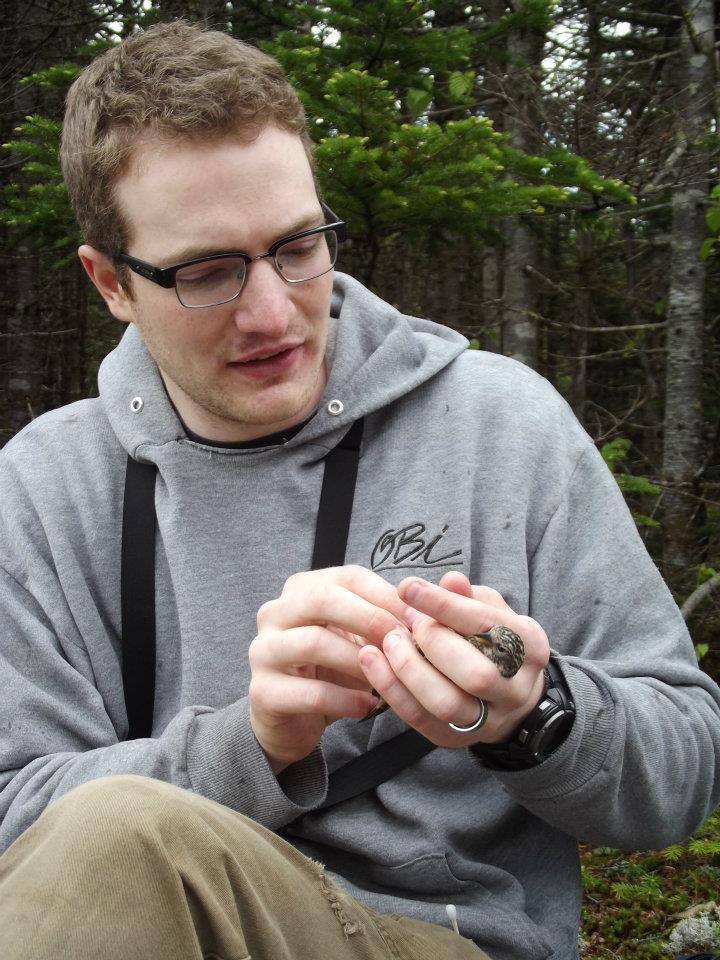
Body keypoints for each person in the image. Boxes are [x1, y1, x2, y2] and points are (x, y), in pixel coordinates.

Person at [0, 20, 718, 960]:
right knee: (107, 834)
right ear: (111, 283)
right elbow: (23, 828)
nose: (272, 312)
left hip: (451, 941)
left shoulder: (499, 424)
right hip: (160, 923)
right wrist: (254, 744)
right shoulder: (43, 488)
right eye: (208, 271)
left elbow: (684, 777)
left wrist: (535, 712)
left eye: (298, 246)